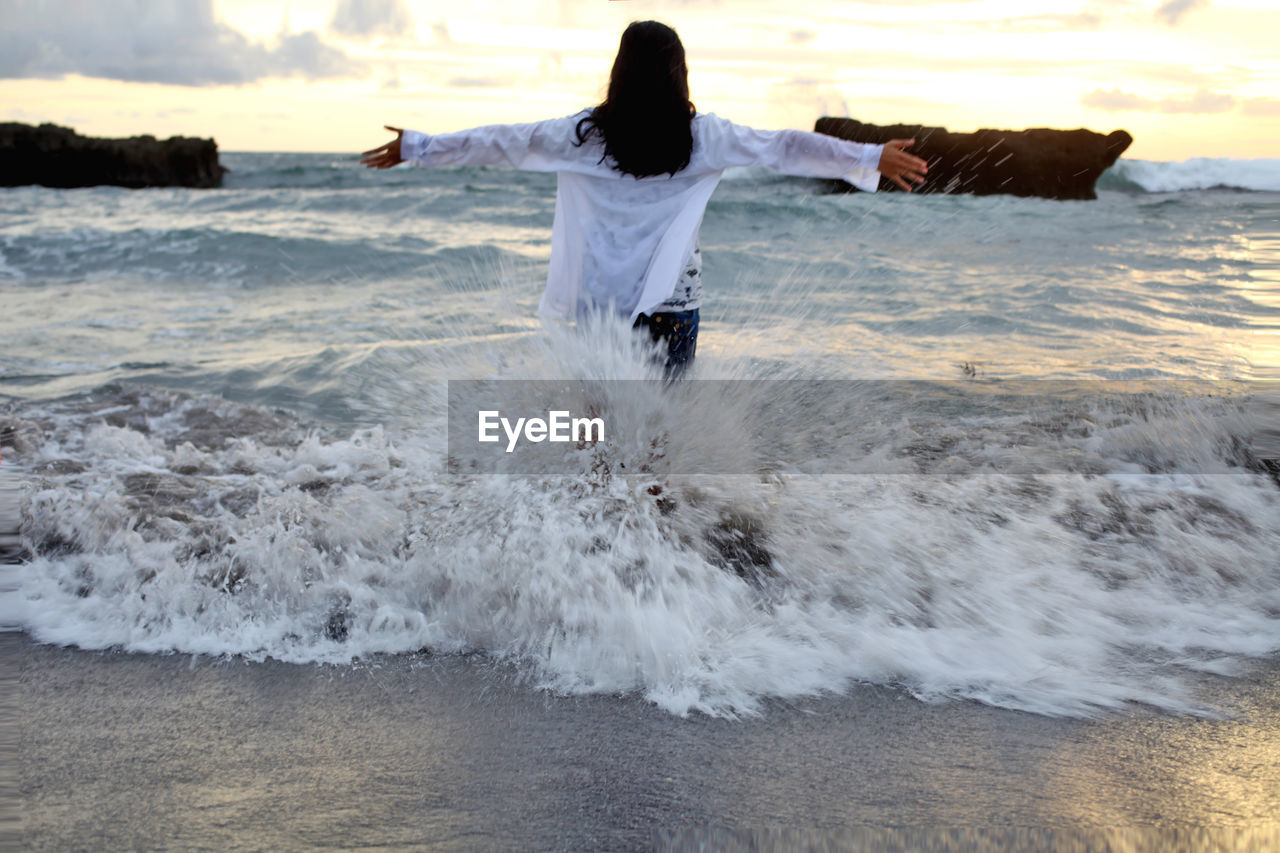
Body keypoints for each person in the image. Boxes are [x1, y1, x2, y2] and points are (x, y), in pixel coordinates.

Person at [362, 20, 926, 376]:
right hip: (672, 306)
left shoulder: (581, 134)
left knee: (595, 427)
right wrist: (868, 157)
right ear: (680, 75)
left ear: (619, 73)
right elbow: (782, 147)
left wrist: (417, 147)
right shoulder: (703, 136)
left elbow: (500, 143)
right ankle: (654, 550)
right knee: (655, 430)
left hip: (599, 308)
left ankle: (590, 541)